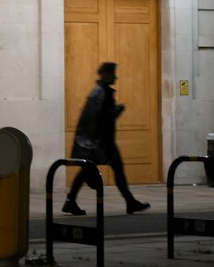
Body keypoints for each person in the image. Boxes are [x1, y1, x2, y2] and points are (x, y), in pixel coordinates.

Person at [63, 61, 150, 216]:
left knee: (98, 169)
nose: (115, 77)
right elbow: (103, 117)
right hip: (99, 142)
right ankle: (129, 202)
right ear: (105, 74)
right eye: (113, 73)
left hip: (97, 141)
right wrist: (118, 110)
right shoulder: (102, 93)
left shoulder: (98, 92)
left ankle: (71, 201)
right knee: (110, 169)